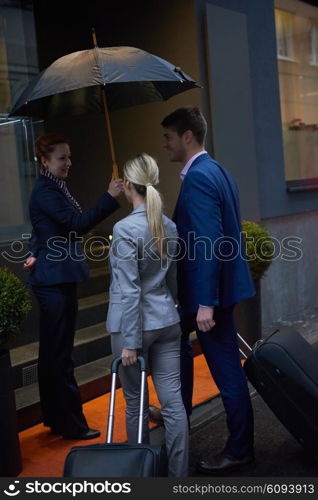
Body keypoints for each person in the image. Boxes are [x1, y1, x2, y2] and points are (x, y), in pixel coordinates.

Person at [157, 106, 255, 474]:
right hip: (218, 290)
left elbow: (209, 243)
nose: (164, 144)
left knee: (227, 371)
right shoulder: (218, 170)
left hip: (209, 295)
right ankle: (176, 411)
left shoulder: (198, 178)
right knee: (176, 342)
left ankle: (239, 448)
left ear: (186, 136)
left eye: (168, 137)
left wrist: (205, 304)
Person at [24, 133, 123, 440]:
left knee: (55, 354)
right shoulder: (47, 190)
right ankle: (70, 425)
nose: (68, 163)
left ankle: (55, 418)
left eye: (69, 156)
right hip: (54, 282)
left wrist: (34, 250)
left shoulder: (53, 187)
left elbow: (43, 226)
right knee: (59, 356)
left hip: (57, 276)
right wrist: (109, 197)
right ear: (44, 161)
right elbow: (77, 224)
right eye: (61, 158)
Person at [106, 153, 189, 477]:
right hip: (167, 320)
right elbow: (172, 279)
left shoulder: (124, 228)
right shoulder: (167, 225)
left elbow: (129, 291)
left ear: (127, 185)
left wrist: (129, 342)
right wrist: (174, 306)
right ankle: (177, 479)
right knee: (173, 404)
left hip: (135, 329)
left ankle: (140, 479)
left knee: (135, 405)